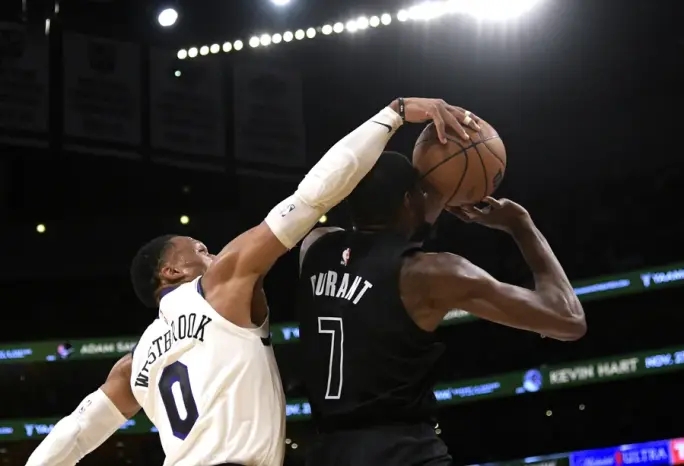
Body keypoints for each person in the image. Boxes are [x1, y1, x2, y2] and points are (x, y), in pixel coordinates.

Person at [24, 97, 475, 466]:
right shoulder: (219, 287)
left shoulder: (134, 363)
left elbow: (76, 432)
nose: (214, 255)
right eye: (201, 249)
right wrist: (393, 114)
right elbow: (311, 198)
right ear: (171, 271)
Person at [296, 151, 587, 466]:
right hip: (404, 453)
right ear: (409, 200)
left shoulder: (314, 247)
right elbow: (568, 319)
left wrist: (426, 199)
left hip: (328, 453)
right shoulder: (432, 274)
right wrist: (520, 225)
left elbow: (379, 248)